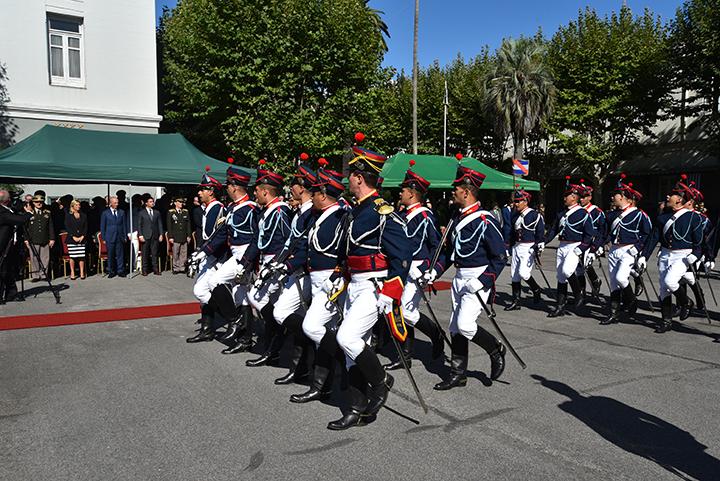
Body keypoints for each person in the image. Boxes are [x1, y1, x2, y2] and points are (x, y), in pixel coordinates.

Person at [324, 134, 411, 431]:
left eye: (351, 176)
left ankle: (381, 380)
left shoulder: (381, 212)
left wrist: (392, 290)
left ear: (359, 178)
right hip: (354, 284)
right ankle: (356, 408)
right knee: (353, 352)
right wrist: (340, 275)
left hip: (374, 287)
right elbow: (350, 253)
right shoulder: (356, 210)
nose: (348, 181)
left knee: (347, 337)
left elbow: (402, 258)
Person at [421, 161, 507, 391]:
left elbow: (500, 257)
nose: (452, 192)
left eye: (456, 189)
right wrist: (435, 271)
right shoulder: (456, 218)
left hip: (478, 276)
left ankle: (495, 348)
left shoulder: (485, 220)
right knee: (455, 327)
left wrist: (483, 281)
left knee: (466, 325)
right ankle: (458, 373)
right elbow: (450, 253)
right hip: (460, 276)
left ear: (467, 192)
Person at [289, 165, 348, 404]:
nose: (310, 195)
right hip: (316, 277)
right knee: (325, 332)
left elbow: (345, 250)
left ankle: (348, 365)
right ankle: (322, 384)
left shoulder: (341, 216)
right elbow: (309, 246)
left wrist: (340, 273)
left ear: (323, 195)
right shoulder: (319, 216)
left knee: (314, 327)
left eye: (314, 192)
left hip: (332, 278)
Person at [257, 160, 317, 384]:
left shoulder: (311, 212)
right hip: (294, 268)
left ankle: (313, 355)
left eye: (294, 183)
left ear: (301, 187)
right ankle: (299, 366)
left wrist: (287, 264)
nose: (291, 188)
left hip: (308, 271)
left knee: (282, 312)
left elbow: (305, 246)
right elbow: (291, 242)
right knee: (298, 318)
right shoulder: (302, 211)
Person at [383, 159, 444, 371]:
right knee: (397, 310)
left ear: (412, 192)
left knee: (407, 311)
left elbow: (436, 246)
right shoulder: (400, 215)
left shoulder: (425, 217)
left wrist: (429, 268)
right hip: (400, 268)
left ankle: (436, 334)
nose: (400, 193)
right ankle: (404, 355)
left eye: (403, 190)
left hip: (417, 269)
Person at [193, 163, 257, 352]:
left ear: (235, 186)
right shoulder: (232, 208)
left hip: (245, 254)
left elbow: (257, 239)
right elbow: (221, 234)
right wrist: (203, 252)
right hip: (236, 253)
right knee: (240, 297)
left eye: (228, 185)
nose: (226, 188)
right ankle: (243, 338)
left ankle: (235, 322)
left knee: (217, 281)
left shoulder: (250, 208)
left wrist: (247, 261)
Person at [234, 160, 292, 366]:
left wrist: (280, 263)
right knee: (269, 305)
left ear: (265, 192)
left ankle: (278, 338)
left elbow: (289, 241)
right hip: (266, 261)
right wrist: (245, 263)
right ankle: (273, 345)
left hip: (277, 263)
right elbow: (257, 241)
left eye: (257, 191)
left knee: (258, 299)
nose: (255, 194)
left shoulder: (280, 212)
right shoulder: (267, 211)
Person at [640, 175, 706, 333]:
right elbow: (653, 238)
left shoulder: (693, 218)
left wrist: (696, 255)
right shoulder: (663, 217)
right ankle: (666, 321)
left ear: (680, 199)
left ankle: (686, 302)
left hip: (682, 256)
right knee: (664, 289)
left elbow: (699, 243)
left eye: (673, 194)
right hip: (665, 254)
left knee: (670, 282)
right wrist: (644, 256)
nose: (668, 197)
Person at [600, 174, 651, 325]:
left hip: (629, 250)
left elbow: (647, 233)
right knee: (614, 283)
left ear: (622, 196)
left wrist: (638, 248)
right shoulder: (611, 215)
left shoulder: (639, 214)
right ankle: (614, 314)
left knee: (622, 278)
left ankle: (632, 301)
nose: (612, 198)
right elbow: (606, 232)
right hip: (614, 249)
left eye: (615, 195)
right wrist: (599, 246)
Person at [543, 177, 595, 317]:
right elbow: (554, 230)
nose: (564, 198)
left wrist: (582, 248)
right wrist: (543, 242)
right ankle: (560, 306)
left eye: (567, 195)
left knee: (567, 270)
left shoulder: (583, 213)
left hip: (575, 245)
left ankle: (578, 295)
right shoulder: (561, 213)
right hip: (562, 245)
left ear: (574, 197)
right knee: (560, 276)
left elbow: (589, 234)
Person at [187, 170, 226, 343]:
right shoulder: (208, 208)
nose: (199, 192)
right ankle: (207, 329)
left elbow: (218, 237)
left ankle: (230, 315)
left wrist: (206, 253)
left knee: (200, 290)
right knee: (202, 293)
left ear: (211, 191)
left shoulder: (217, 209)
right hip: (207, 256)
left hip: (215, 258)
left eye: (203, 189)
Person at [505, 187, 545, 311]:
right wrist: (508, 246)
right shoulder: (514, 215)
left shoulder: (534, 215)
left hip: (528, 246)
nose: (516, 204)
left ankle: (536, 288)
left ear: (525, 201)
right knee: (514, 275)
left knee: (524, 273)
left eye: (518, 201)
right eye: (515, 201)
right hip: (517, 246)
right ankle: (516, 301)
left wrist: (539, 244)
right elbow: (511, 232)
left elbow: (540, 231)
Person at [0, 190, 32, 303]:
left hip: (11, 247)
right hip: (2, 247)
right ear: (7, 200)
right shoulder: (2, 212)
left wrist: (20, 204)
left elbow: (15, 209)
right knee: (2, 271)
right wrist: (29, 213)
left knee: (9, 270)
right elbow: (20, 220)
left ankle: (11, 294)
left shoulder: (8, 209)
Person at [577, 180, 606, 298]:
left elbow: (602, 230)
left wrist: (599, 245)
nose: (581, 199)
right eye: (580, 197)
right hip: (578, 241)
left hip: (591, 242)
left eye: (584, 197)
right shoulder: (577, 210)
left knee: (585, 265)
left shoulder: (597, 212)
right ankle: (581, 293)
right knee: (578, 268)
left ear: (590, 197)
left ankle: (595, 281)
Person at [25, 194, 55, 281]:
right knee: (34, 258)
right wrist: (26, 239)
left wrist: (52, 238)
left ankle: (44, 274)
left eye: (41, 202)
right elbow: (26, 228)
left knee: (45, 258)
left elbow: (50, 226)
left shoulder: (47, 213)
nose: (39, 203)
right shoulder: (30, 213)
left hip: (45, 239)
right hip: (33, 239)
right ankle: (35, 275)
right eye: (37, 202)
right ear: (33, 203)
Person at [100, 196, 129, 278]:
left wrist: (125, 236)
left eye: (117, 202)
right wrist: (104, 238)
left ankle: (120, 270)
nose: (117, 204)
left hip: (120, 236)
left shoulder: (122, 212)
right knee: (111, 255)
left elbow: (124, 225)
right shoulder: (105, 213)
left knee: (120, 254)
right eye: (115, 203)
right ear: (111, 203)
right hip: (110, 237)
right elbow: (103, 226)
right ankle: (111, 271)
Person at [137, 196, 164, 276]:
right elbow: (139, 225)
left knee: (154, 253)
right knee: (145, 253)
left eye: (153, 201)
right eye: (150, 201)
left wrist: (161, 234)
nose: (152, 203)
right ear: (146, 203)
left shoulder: (156, 212)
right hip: (146, 235)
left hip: (155, 235)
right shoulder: (141, 213)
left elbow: (160, 224)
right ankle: (144, 269)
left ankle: (155, 269)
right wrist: (140, 235)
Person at [166, 197, 191, 274]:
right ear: (175, 203)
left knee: (184, 252)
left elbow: (188, 225)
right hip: (175, 236)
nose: (181, 204)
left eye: (182, 202)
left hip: (183, 235)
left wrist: (189, 235)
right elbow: (169, 226)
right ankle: (176, 267)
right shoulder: (171, 212)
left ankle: (182, 267)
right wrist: (170, 237)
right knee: (176, 252)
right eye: (179, 202)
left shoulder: (185, 212)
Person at [65, 200, 88, 280]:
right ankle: (72, 272)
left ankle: (82, 272)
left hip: (81, 238)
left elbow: (86, 227)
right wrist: (73, 236)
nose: (79, 206)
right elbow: (67, 227)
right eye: (77, 205)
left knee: (81, 256)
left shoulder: (83, 215)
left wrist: (83, 236)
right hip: (72, 239)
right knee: (73, 256)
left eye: (79, 205)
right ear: (73, 206)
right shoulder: (68, 215)